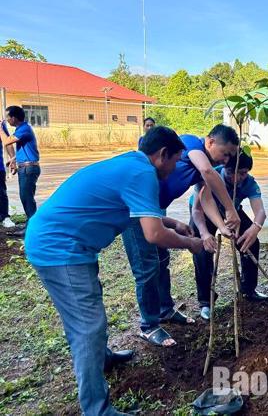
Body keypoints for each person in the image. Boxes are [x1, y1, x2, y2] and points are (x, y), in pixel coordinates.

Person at [24, 126, 204, 416]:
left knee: (89, 310)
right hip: (59, 248)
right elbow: (154, 235)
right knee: (87, 327)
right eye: (176, 161)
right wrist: (190, 242)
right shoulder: (144, 174)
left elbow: (144, 215)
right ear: (162, 155)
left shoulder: (132, 164)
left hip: (67, 243)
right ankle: (97, 410)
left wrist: (174, 223)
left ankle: (103, 358)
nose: (176, 169)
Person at [122, 124, 241, 347]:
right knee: (146, 267)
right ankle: (148, 326)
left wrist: (221, 226)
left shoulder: (201, 168)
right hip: (136, 209)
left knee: (162, 261)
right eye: (225, 154)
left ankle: (165, 310)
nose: (226, 161)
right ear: (210, 141)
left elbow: (205, 199)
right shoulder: (191, 144)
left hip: (154, 209)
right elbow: (207, 172)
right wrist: (231, 209)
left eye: (230, 157)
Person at [190, 151, 268, 320]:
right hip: (203, 214)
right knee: (202, 251)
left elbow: (260, 211)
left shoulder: (249, 182)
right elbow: (196, 210)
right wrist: (204, 234)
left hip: (232, 212)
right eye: (232, 172)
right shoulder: (210, 176)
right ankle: (206, 302)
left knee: (251, 243)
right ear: (225, 168)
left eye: (243, 173)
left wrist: (255, 228)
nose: (237, 178)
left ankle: (248, 289)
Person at [0, 105, 40, 235]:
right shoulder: (22, 129)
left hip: (29, 169)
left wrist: (0, 128)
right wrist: (14, 160)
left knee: (27, 198)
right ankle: (31, 224)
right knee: (26, 197)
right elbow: (25, 149)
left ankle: (32, 228)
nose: (6, 120)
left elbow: (6, 142)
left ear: (14, 118)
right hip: (26, 167)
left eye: (8, 117)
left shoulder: (24, 129)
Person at [0, 121, 15, 228]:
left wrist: (13, 159)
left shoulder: (0, 125)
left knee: (1, 193)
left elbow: (8, 142)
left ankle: (5, 217)